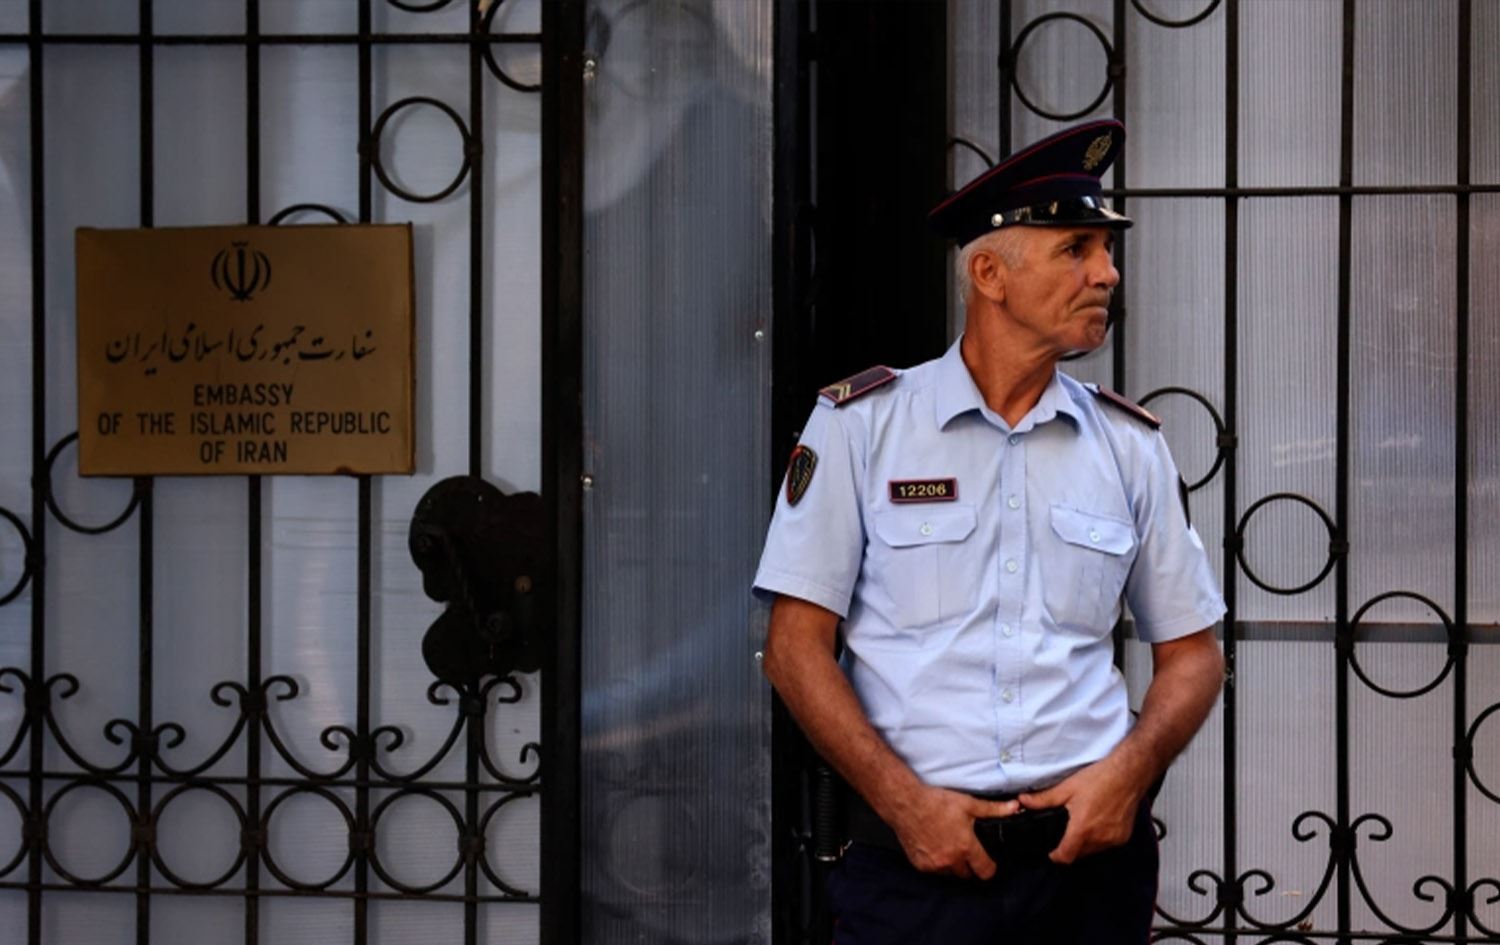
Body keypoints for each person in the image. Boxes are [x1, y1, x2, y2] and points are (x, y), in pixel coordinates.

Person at [753, 119, 1227, 944]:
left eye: (1105, 251)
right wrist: (904, 804)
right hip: (914, 869)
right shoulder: (860, 428)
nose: (1107, 272)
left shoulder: (1130, 445)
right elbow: (795, 648)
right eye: (1076, 248)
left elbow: (1193, 654)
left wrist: (1130, 774)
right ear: (989, 273)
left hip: (1085, 876)